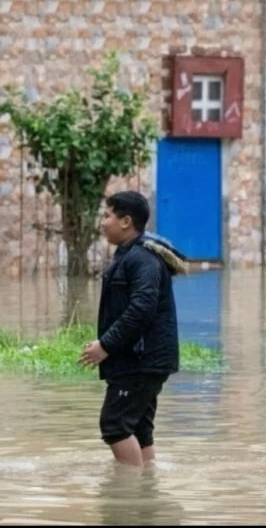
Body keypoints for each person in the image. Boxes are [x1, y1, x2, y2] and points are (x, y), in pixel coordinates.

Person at [79, 191, 183, 467]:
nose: (103, 222)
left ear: (126, 221)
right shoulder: (131, 256)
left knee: (115, 426)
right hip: (141, 358)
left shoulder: (142, 259)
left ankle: (128, 500)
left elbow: (141, 309)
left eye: (107, 216)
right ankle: (146, 495)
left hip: (141, 361)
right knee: (139, 428)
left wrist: (106, 345)